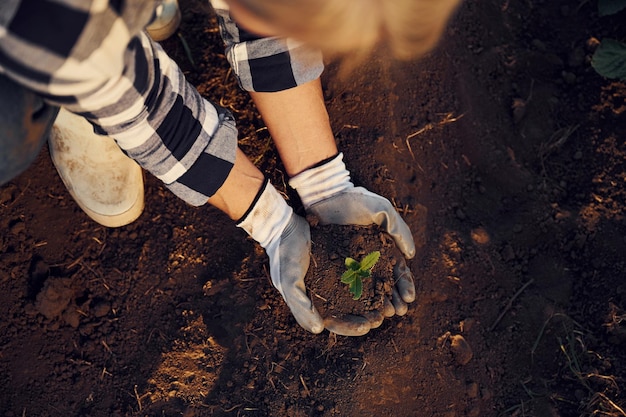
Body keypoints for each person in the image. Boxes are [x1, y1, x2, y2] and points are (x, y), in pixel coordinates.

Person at [0, 0, 460, 336]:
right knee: (10, 133)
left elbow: (274, 20)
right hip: (38, 28)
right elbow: (148, 110)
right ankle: (70, 98)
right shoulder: (58, 17)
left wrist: (323, 182)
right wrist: (267, 221)